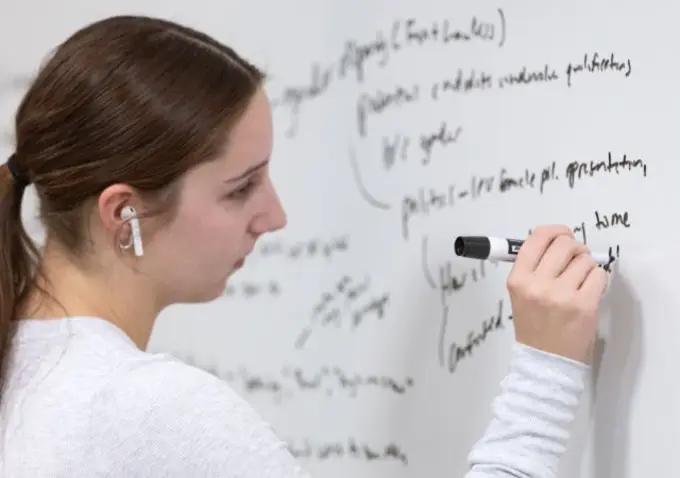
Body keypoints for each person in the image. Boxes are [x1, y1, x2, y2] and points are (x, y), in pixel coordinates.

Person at [0, 15, 609, 478]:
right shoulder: (148, 409)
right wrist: (545, 374)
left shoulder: (25, 369)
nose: (275, 215)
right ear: (123, 214)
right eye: (240, 189)